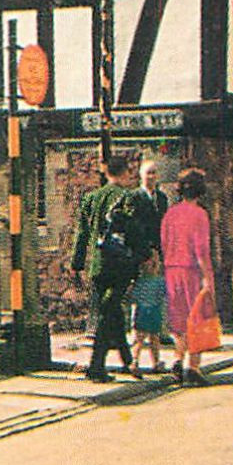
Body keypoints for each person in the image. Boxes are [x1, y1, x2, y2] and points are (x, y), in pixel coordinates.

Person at [70, 154, 139, 382]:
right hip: (119, 264)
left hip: (97, 265)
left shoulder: (91, 199)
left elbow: (82, 233)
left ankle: (128, 361)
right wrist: (144, 257)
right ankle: (96, 366)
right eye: (130, 172)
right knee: (108, 311)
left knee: (111, 309)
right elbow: (132, 231)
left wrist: (77, 263)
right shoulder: (126, 198)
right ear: (124, 173)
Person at [162, 167, 217, 386]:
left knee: (179, 318)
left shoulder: (170, 214)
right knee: (198, 319)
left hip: (172, 269)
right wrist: (208, 278)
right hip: (192, 271)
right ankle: (193, 367)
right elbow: (201, 251)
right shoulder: (200, 215)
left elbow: (165, 244)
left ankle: (177, 358)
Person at [124, 159, 169, 377]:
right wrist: (145, 254)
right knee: (142, 309)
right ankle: (134, 359)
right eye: (147, 173)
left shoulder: (161, 198)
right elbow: (134, 229)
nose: (151, 177)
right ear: (140, 176)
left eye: (154, 173)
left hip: (157, 259)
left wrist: (160, 254)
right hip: (142, 260)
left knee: (155, 309)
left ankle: (156, 360)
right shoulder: (134, 197)